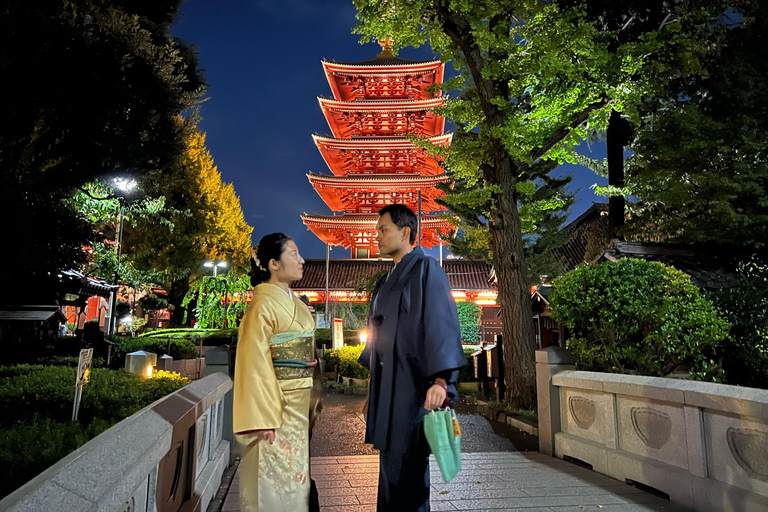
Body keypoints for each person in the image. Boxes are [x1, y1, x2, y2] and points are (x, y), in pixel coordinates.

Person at [359, 204, 466, 511]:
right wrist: (373, 392)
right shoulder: (384, 280)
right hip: (387, 388)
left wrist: (441, 380)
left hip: (414, 388)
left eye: (383, 230)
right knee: (390, 472)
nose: (376, 236)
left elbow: (440, 323)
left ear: (406, 232)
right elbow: (377, 335)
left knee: (410, 476)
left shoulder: (426, 269)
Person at [233, 233, 320, 512]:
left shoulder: (297, 305)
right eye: (293, 254)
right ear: (273, 263)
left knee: (295, 486)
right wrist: (261, 417)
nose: (302, 260)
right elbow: (253, 363)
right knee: (271, 488)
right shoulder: (261, 306)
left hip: (297, 407)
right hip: (273, 412)